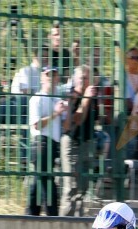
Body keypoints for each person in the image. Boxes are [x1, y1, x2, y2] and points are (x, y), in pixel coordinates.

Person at [59, 65, 99, 217]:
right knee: (71, 186)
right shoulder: (71, 96)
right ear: (75, 79)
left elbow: (95, 119)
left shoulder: (92, 95)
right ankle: (64, 221)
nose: (84, 81)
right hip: (72, 142)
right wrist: (86, 99)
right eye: (82, 78)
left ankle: (79, 220)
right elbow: (76, 120)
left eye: (87, 78)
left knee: (83, 186)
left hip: (87, 142)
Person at [27, 66, 67, 215]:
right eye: (48, 75)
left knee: (40, 181)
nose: (51, 78)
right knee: (47, 181)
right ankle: (52, 214)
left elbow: (65, 124)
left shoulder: (58, 100)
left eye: (54, 75)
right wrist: (56, 113)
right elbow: (37, 125)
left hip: (53, 144)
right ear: (42, 78)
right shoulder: (37, 99)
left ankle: (31, 214)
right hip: (41, 143)